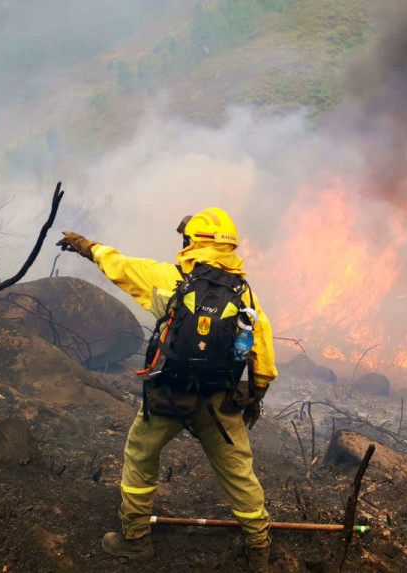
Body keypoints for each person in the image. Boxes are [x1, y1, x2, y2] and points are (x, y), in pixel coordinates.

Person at [56, 207, 277, 571]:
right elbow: (262, 355)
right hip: (218, 401)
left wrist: (88, 247)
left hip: (170, 394)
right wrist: (255, 398)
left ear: (193, 241)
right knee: (239, 471)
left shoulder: (171, 278)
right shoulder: (244, 295)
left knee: (140, 455)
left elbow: (121, 268)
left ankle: (136, 541)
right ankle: (259, 549)